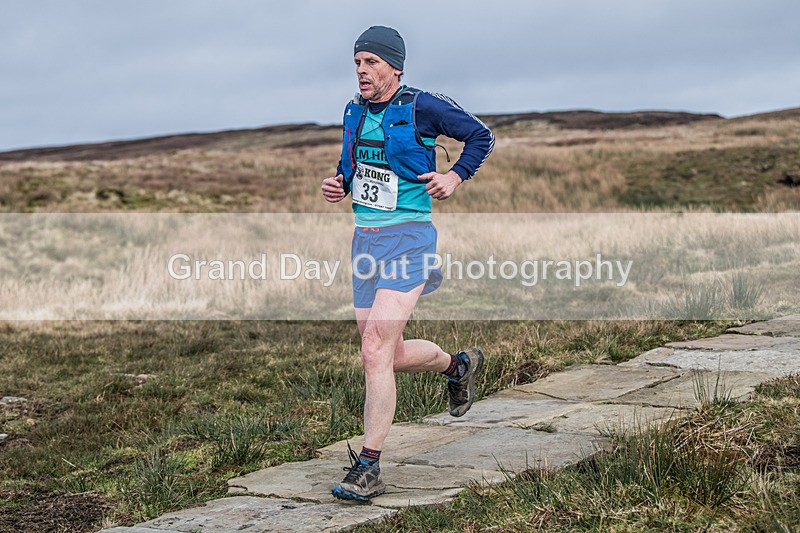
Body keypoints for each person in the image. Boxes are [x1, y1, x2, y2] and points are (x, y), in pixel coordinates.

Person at [320, 25, 494, 502]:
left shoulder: (422, 106)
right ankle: (457, 367)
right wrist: (339, 185)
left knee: (376, 347)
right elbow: (350, 168)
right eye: (357, 62)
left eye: (371, 62)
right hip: (365, 243)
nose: (361, 70)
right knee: (386, 355)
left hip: (410, 241)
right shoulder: (353, 111)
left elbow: (482, 136)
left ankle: (369, 466)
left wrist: (455, 176)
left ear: (395, 67)